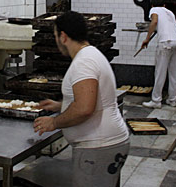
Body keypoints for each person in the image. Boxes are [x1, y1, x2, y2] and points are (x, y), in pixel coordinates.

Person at [33, 11, 130, 187]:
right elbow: (91, 98)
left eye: (56, 36)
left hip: (99, 147)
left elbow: (85, 108)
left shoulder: (83, 63)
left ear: (63, 36)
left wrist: (54, 123)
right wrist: (61, 105)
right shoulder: (91, 54)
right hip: (107, 143)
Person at [141, 0, 176, 109]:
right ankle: (172, 100)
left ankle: (156, 100)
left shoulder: (154, 10)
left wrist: (147, 39)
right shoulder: (170, 12)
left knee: (160, 72)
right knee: (175, 72)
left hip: (165, 43)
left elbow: (154, 21)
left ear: (152, 6)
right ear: (164, 5)